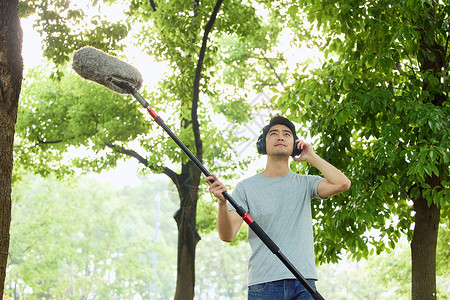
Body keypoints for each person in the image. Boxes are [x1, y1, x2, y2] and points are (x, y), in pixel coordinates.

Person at [205, 116, 351, 300]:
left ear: (295, 145)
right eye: (273, 134)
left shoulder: (306, 183)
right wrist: (222, 203)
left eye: (287, 134)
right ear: (263, 145)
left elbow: (343, 183)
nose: (280, 137)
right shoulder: (246, 188)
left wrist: (311, 157)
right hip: (264, 283)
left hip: (304, 283)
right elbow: (227, 235)